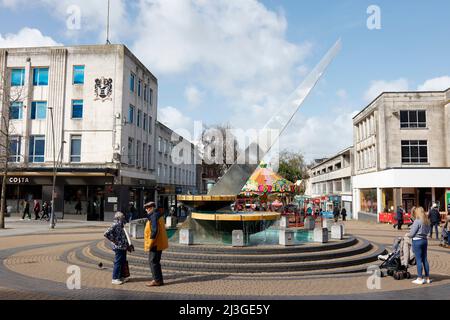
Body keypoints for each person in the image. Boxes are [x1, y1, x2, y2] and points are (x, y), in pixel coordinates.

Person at [144, 202, 169, 287]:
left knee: (153, 262)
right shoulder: (157, 215)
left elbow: (154, 231)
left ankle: (156, 280)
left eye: (148, 207)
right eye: (146, 208)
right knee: (156, 262)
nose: (146, 209)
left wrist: (150, 243)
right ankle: (159, 280)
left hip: (155, 243)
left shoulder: (154, 216)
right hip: (158, 243)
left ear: (152, 207)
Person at [104, 212, 131, 285]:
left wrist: (128, 245)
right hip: (118, 247)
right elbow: (106, 233)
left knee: (122, 262)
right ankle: (115, 278)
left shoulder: (121, 225)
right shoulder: (115, 225)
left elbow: (124, 236)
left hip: (123, 247)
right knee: (118, 262)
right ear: (119, 218)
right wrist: (114, 240)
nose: (124, 218)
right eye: (122, 217)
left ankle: (121, 276)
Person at [407, 207, 432, 285]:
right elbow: (428, 231)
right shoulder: (427, 221)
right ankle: (427, 278)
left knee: (418, 260)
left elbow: (411, 234)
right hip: (424, 240)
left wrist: (408, 234)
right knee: (425, 259)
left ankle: (420, 278)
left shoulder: (417, 221)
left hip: (417, 241)